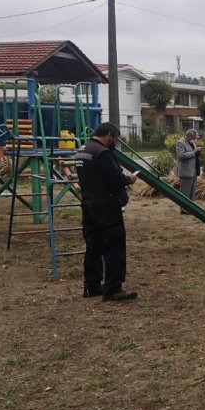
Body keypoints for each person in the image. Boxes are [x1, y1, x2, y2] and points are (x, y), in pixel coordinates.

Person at [75, 122, 138, 301]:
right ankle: (113, 288)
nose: (114, 142)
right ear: (108, 135)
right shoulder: (102, 152)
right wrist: (129, 179)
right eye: (115, 139)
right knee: (114, 246)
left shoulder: (83, 149)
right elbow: (115, 178)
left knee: (94, 246)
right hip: (106, 205)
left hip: (88, 204)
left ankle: (91, 286)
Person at [175, 129, 201, 215]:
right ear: (189, 136)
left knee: (192, 190)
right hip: (185, 171)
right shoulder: (180, 142)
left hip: (193, 170)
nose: (195, 139)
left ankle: (191, 207)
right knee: (185, 191)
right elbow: (181, 155)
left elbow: (193, 152)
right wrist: (194, 152)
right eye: (194, 137)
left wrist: (198, 151)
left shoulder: (192, 142)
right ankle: (184, 209)